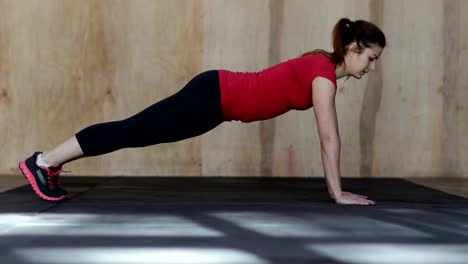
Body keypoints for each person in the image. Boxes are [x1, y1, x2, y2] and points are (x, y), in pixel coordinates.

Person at [19, 18, 386, 205]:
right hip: (214, 96)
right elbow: (328, 136)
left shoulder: (321, 66)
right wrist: (337, 193)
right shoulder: (323, 73)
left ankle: (47, 162)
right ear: (353, 48)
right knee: (132, 130)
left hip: (214, 101)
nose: (371, 68)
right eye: (370, 58)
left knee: (135, 130)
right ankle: (44, 161)